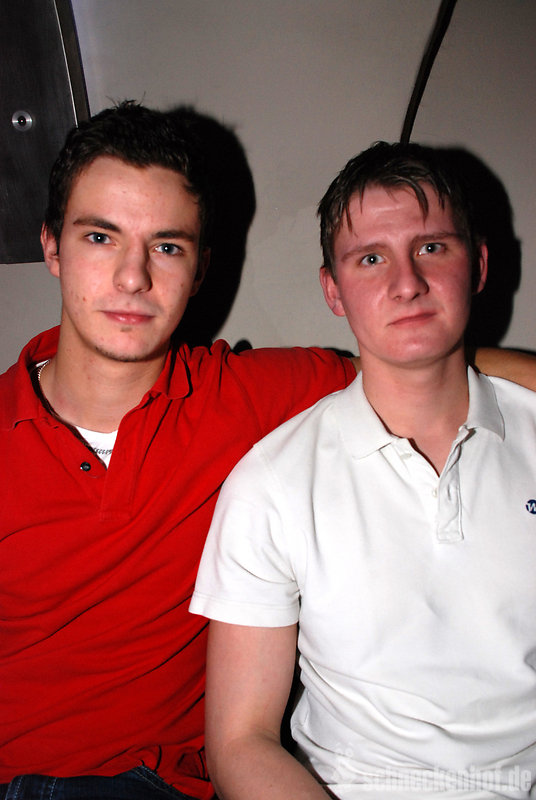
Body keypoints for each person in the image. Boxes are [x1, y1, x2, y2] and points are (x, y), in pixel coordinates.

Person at [0, 101, 359, 800]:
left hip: (155, 785)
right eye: (100, 237)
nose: (133, 277)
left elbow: (427, 372)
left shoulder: (241, 397)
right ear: (52, 247)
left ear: (199, 270)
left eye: (167, 247)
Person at [191, 142, 536, 800]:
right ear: (333, 290)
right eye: (371, 258)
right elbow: (240, 742)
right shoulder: (271, 485)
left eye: (431, 247)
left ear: (479, 264)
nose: (407, 283)